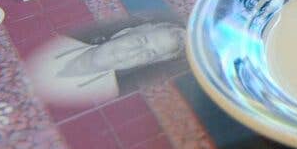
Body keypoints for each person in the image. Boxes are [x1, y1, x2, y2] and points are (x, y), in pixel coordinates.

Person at [25, 20, 186, 106]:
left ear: (145, 64)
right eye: (139, 40)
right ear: (123, 32)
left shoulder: (100, 99)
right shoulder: (47, 41)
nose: (133, 52)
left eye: (149, 54)